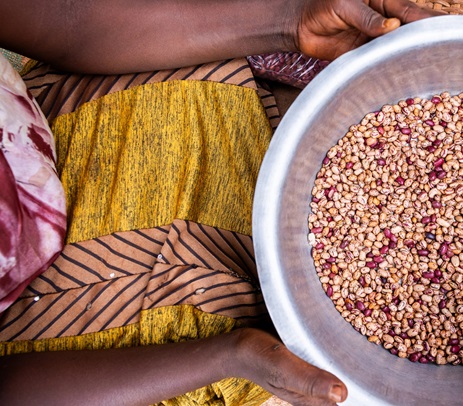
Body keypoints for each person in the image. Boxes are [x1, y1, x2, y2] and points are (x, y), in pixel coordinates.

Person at [0, 0, 440, 404]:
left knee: (193, 38)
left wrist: (290, 23)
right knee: (211, 319)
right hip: (41, 343)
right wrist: (229, 355)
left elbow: (67, 20)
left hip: (31, 140)